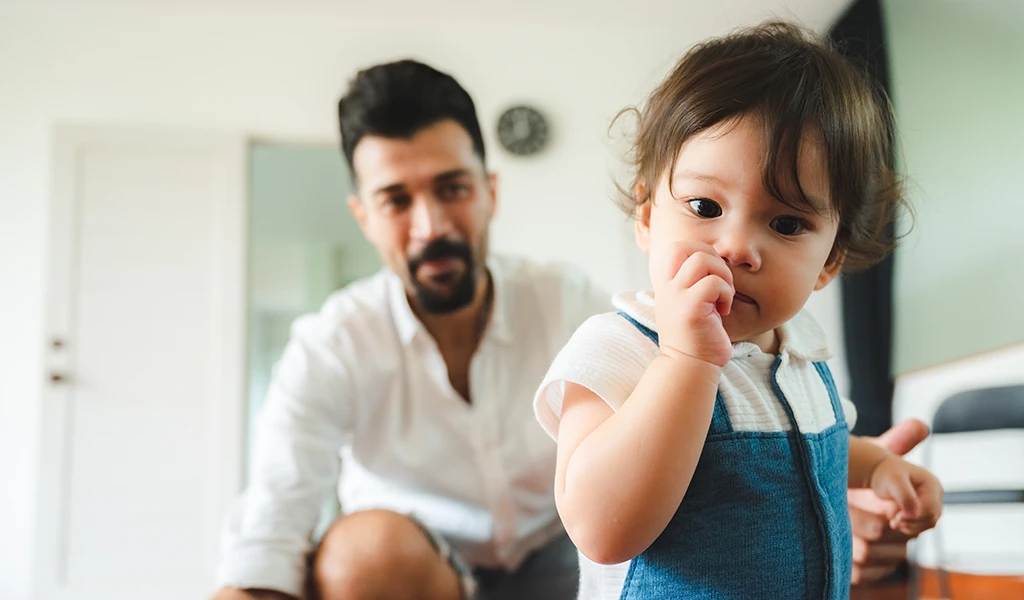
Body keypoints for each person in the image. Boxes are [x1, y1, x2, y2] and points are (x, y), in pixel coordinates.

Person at [212, 56, 931, 600]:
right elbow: (271, 523)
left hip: (559, 566)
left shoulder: (570, 298)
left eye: (452, 189)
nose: (431, 225)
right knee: (360, 554)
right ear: (364, 216)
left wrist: (861, 480)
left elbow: (803, 458)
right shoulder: (335, 342)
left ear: (490, 193)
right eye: (397, 200)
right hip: (438, 574)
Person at [533, 21, 943, 600]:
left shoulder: (800, 351)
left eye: (786, 224)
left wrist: (875, 466)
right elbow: (600, 530)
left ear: (830, 259)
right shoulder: (620, 350)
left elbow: (800, 450)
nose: (738, 247)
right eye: (705, 205)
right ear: (648, 218)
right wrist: (685, 360)